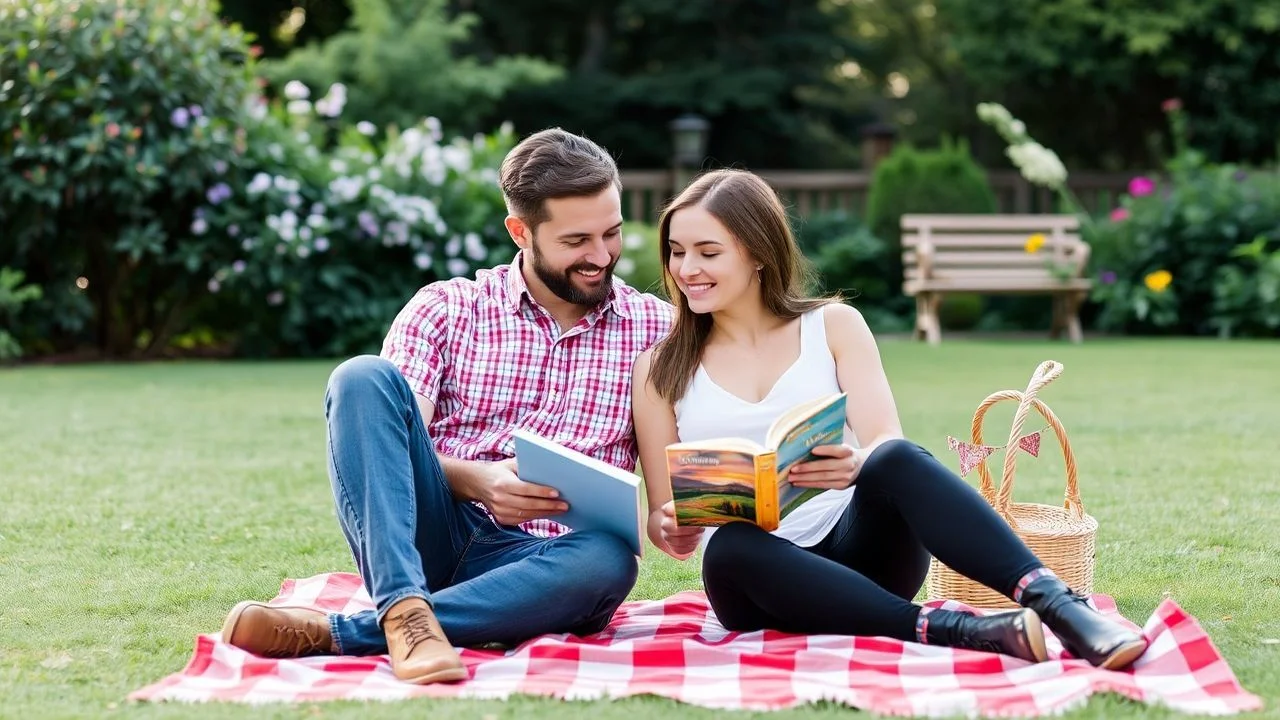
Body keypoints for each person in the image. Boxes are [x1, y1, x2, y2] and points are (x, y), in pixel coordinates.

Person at [631, 169, 1148, 670]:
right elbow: (663, 515)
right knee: (729, 546)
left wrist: (854, 463)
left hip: (863, 551)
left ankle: (1059, 606)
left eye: (707, 252)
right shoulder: (660, 367)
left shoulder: (832, 326)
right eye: (677, 252)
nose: (686, 269)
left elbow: (883, 438)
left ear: (758, 252)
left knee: (895, 458)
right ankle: (949, 630)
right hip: (760, 579)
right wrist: (671, 529)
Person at [218, 129, 673, 684]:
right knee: (361, 377)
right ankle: (405, 607)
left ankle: (349, 632)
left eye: (612, 233)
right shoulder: (447, 309)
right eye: (577, 240)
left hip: (547, 566)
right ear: (520, 231)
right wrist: (478, 480)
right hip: (430, 537)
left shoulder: (657, 328)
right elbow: (390, 446)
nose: (601, 256)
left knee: (607, 560)